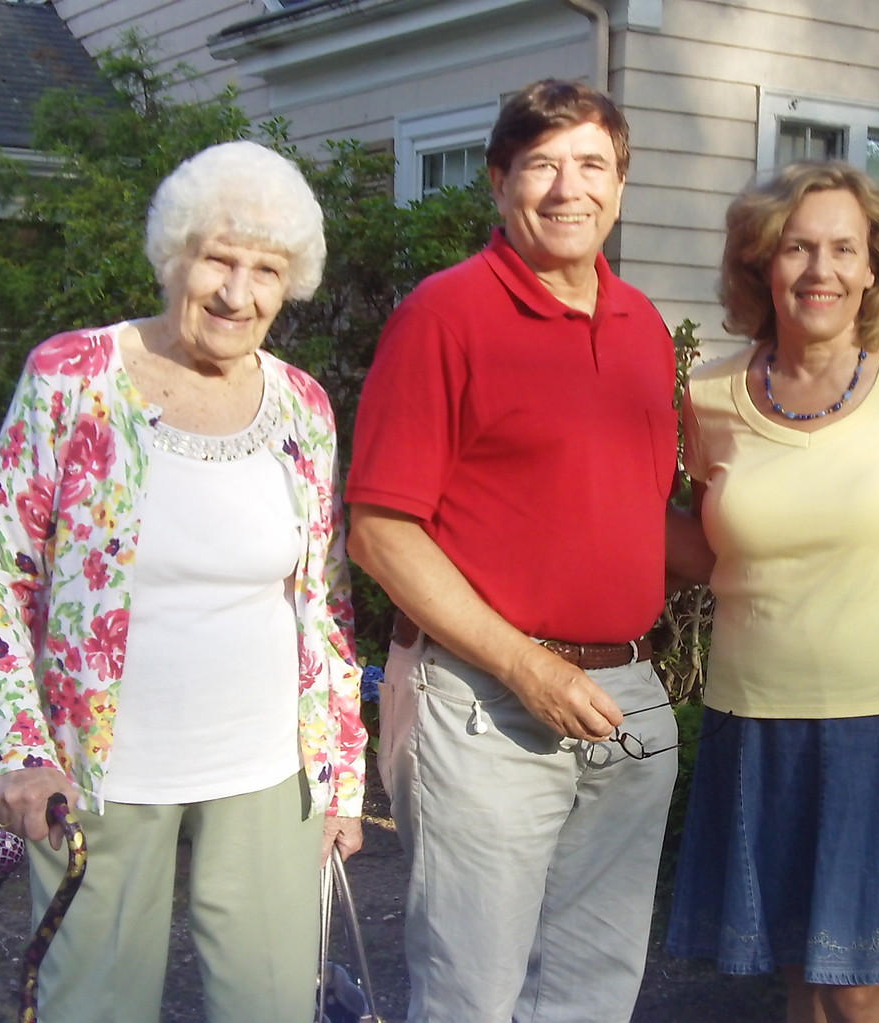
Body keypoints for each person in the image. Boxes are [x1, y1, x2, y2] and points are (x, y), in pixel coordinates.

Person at [0, 140, 366, 1022]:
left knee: (271, 1006)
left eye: (266, 270)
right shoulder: (72, 376)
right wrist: (21, 749)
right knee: (91, 1007)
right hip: (100, 774)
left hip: (267, 769)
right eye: (217, 258)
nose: (236, 292)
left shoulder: (303, 405)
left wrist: (340, 779)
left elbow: (324, 604)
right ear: (173, 252)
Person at [345, 79, 678, 1023]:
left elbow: (637, 513)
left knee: (594, 988)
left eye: (592, 165)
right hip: (485, 700)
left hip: (627, 694)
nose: (568, 188)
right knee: (472, 994)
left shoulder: (644, 327)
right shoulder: (446, 317)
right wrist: (527, 667)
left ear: (621, 183)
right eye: (541, 165)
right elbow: (380, 530)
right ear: (499, 183)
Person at [665, 161, 879, 1023]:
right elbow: (691, 536)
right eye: (795, 248)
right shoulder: (707, 395)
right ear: (759, 266)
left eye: (841, 249)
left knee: (857, 985)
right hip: (759, 720)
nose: (819, 269)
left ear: (873, 268)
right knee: (797, 972)